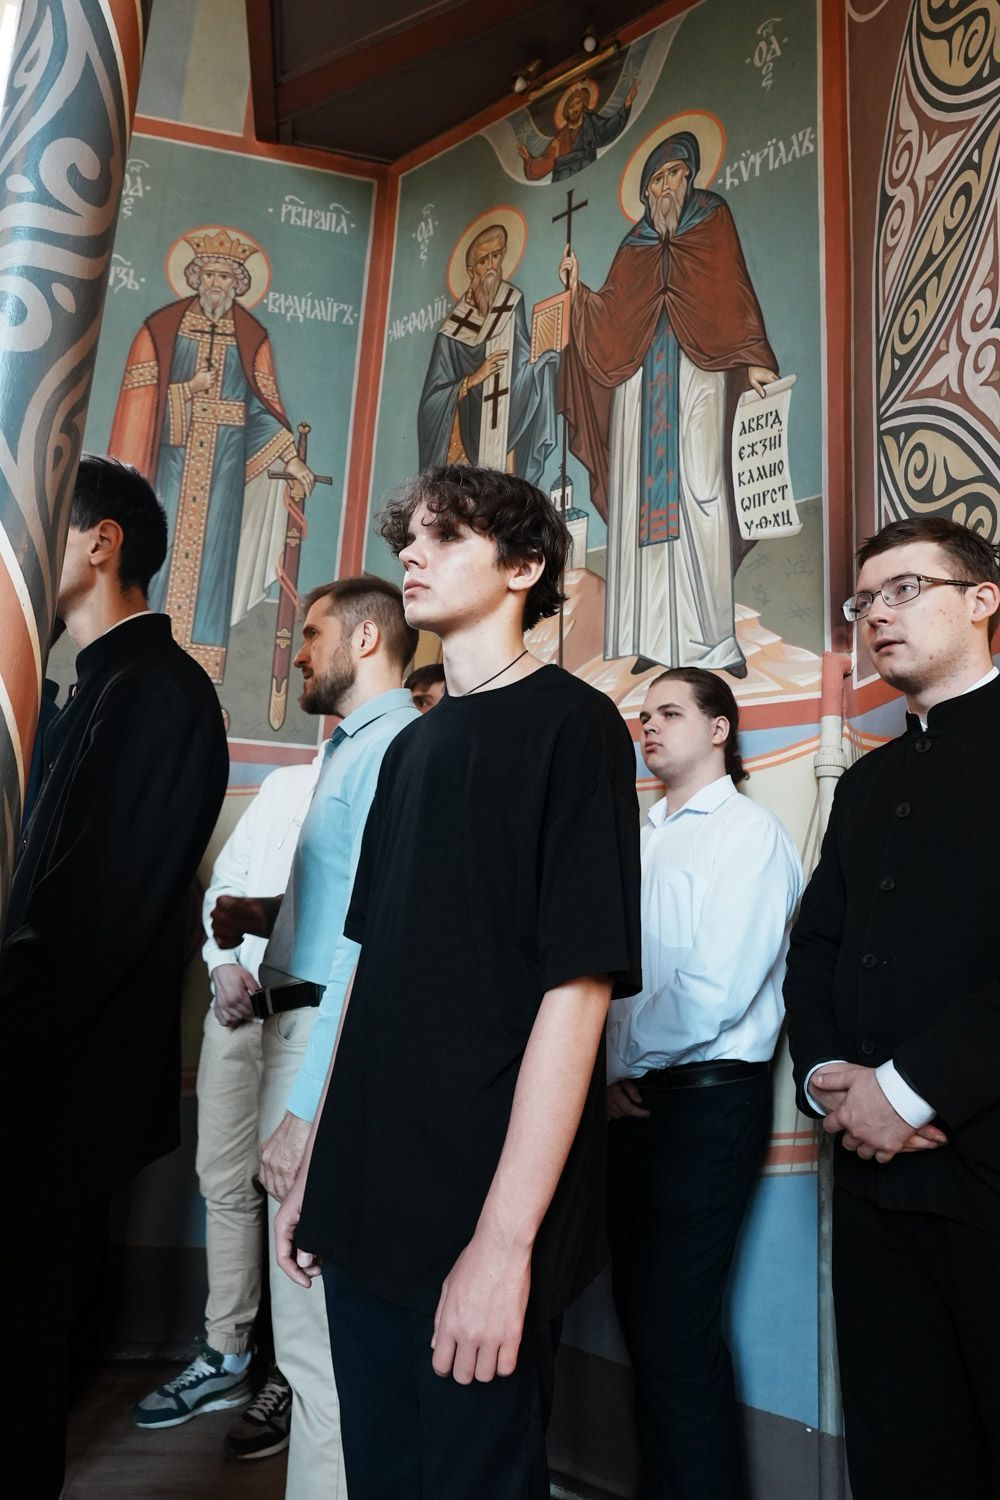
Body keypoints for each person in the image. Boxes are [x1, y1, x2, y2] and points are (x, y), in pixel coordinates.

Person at [275, 464, 642, 1499]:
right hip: (366, 1189)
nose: (412, 554)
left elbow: (577, 989)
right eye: (410, 539)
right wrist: (314, 1159)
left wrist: (501, 1244)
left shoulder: (575, 728)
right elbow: (364, 962)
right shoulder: (411, 748)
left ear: (524, 567)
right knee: (381, 1475)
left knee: (473, 1478)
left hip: (479, 1196)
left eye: (445, 536)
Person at [0, 456, 229, 1498]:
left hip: (56, 1088)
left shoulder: (157, 693)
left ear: (102, 543)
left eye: (46, 528)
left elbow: (91, 919)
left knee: (19, 1360)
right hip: (40, 1071)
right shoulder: (92, 686)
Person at [784, 516, 1000, 1499]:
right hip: (870, 1179)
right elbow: (816, 946)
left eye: (904, 589)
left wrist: (906, 1091)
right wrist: (831, 1079)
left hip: (982, 1167)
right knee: (900, 1453)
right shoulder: (868, 782)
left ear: (981, 599)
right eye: (864, 600)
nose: (876, 614)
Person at [211, 575, 420, 1500]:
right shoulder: (354, 748)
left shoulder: (391, 749)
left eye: (312, 633)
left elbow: (369, 942)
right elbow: (342, 907)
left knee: (314, 1341)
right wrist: (263, 915)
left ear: (365, 639)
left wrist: (305, 1109)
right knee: (319, 1339)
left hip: (320, 1043)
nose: (296, 653)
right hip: (296, 1026)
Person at [606, 667, 802, 1498]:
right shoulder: (639, 835)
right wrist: (607, 1072)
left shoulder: (748, 834)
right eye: (643, 716)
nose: (649, 727)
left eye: (670, 713)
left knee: (675, 1334)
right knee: (643, 1328)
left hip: (707, 1102)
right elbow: (613, 980)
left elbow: (717, 989)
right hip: (632, 1101)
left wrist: (615, 1060)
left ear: (720, 729)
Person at [132, 752, 321, 1460]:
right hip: (238, 1014)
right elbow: (228, 887)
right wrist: (223, 966)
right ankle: (227, 1353)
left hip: (312, 1019)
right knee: (224, 1183)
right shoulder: (285, 784)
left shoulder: (390, 769)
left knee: (294, 1195)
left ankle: (295, 1378)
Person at [559, 133, 778, 677]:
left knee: (702, 494)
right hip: (639, 390)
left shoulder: (711, 219)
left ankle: (715, 641)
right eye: (656, 180)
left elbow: (733, 290)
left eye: (674, 174)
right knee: (639, 508)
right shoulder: (635, 245)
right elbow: (612, 316)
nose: (665, 187)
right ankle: (651, 636)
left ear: (689, 176)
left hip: (698, 377)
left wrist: (755, 358)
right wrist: (579, 292)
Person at [109, 228, 315, 684]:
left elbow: (261, 410)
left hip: (224, 470)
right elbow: (143, 406)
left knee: (214, 562)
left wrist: (291, 459)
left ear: (238, 284)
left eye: (226, 276)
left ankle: (199, 670)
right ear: (195, 278)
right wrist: (188, 391)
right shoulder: (163, 329)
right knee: (159, 553)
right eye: (209, 274)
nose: (216, 283)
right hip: (172, 466)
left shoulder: (250, 337)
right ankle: (143, 658)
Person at [418, 224, 558, 482]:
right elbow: (431, 404)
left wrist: (541, 366)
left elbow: (522, 367)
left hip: (506, 427)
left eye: (496, 256)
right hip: (466, 438)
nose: (492, 266)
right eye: (484, 260)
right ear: (471, 270)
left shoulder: (511, 302)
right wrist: (472, 380)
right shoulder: (451, 331)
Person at [519, 81, 637, 183]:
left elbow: (607, 128)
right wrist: (528, 158)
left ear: (583, 105)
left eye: (578, 103)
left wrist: (626, 106)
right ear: (567, 112)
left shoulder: (590, 123)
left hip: (586, 170)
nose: (574, 109)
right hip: (563, 177)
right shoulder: (561, 137)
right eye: (571, 106)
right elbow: (548, 160)